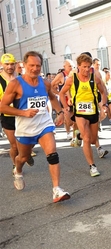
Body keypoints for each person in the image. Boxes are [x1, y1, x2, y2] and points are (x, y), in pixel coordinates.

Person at [0, 51, 70, 203]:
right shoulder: (15, 84)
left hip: (44, 124)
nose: (35, 68)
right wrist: (23, 112)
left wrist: (60, 112)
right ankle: (18, 170)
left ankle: (56, 190)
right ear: (24, 65)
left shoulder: (44, 83)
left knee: (52, 154)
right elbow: (3, 107)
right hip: (25, 128)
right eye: (31, 65)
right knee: (23, 157)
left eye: (38, 65)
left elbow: (52, 97)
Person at [59, 53, 108, 177]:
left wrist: (104, 104)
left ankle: (79, 134)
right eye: (84, 67)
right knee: (87, 139)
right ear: (78, 66)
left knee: (92, 139)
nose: (86, 69)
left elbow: (103, 91)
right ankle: (92, 166)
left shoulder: (95, 78)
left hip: (93, 112)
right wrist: (65, 107)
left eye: (88, 67)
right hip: (80, 113)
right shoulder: (72, 79)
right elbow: (61, 93)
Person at [0, 53, 34, 169]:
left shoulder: (22, 78)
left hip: (23, 115)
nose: (9, 66)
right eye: (7, 64)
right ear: (1, 64)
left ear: (16, 64)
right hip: (8, 116)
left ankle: (26, 153)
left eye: (12, 64)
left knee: (31, 140)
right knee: (14, 145)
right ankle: (15, 165)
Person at [51, 59, 75, 140]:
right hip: (64, 99)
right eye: (70, 66)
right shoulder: (61, 75)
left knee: (74, 119)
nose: (72, 68)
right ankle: (68, 133)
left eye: (73, 66)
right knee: (68, 119)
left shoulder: (75, 74)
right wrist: (59, 93)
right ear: (64, 67)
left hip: (73, 99)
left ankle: (74, 134)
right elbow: (51, 86)